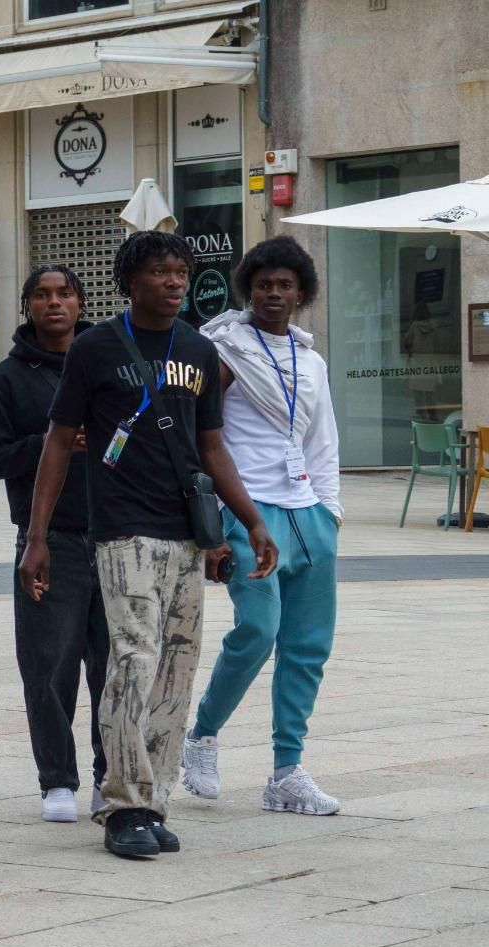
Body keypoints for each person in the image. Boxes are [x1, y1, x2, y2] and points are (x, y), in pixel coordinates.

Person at [19, 231, 278, 860]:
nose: (175, 282)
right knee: (132, 659)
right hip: (121, 530)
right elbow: (58, 441)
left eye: (181, 273)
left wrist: (249, 521)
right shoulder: (96, 349)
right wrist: (38, 537)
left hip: (185, 534)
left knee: (175, 665)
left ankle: (153, 797)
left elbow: (212, 446)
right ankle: (121, 803)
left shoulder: (198, 349)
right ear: (129, 281)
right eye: (161, 272)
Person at [184, 236, 342, 816]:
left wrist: (330, 511)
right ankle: (201, 736)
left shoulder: (311, 358)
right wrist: (211, 528)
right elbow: (201, 437)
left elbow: (322, 440)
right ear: (247, 287)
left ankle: (286, 772)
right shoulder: (221, 350)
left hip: (309, 515)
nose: (274, 294)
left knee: (307, 647)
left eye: (286, 285)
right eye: (264, 283)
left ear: (303, 292)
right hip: (247, 511)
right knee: (258, 629)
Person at [0, 265, 108, 824]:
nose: (54, 303)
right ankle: (57, 779)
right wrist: (51, 444)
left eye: (64, 294)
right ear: (28, 305)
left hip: (115, 533)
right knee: (49, 665)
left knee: (116, 666)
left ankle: (113, 775)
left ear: (81, 302)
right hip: (48, 538)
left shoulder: (109, 362)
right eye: (42, 295)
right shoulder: (9, 378)